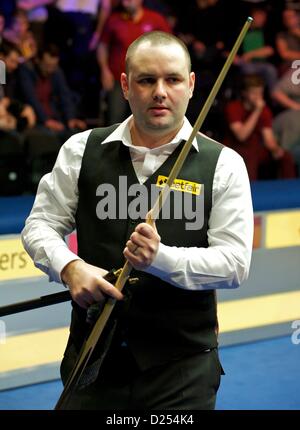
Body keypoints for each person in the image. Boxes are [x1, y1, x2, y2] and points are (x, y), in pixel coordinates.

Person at [22, 31, 253, 410]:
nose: (160, 92)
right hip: (92, 360)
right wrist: (70, 267)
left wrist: (159, 258)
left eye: (173, 79)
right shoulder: (81, 150)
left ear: (191, 85)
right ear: (126, 86)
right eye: (147, 80)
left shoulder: (224, 164)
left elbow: (234, 265)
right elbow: (39, 225)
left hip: (182, 369)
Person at [223, 73, 296, 180]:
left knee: (286, 157)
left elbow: (268, 139)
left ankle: (290, 191)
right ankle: (251, 191)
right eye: (254, 93)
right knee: (250, 155)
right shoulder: (233, 108)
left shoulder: (265, 110)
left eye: (260, 93)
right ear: (244, 93)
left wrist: (276, 150)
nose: (258, 97)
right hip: (234, 148)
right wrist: (257, 111)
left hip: (256, 148)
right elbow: (241, 136)